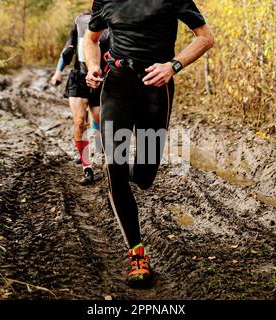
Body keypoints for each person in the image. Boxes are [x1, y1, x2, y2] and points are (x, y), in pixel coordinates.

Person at [84, 0, 214, 286]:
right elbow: (91, 38)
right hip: (116, 86)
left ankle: (131, 174)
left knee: (144, 176)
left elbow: (205, 37)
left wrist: (173, 66)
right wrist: (93, 66)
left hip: (155, 89)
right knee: (114, 166)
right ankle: (137, 255)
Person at [51, 9, 109, 185]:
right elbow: (68, 50)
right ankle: (87, 166)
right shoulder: (79, 24)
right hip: (78, 77)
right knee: (79, 122)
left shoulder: (110, 26)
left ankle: (104, 155)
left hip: (101, 78)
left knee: (100, 120)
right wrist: (57, 73)